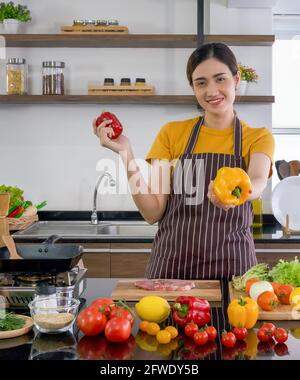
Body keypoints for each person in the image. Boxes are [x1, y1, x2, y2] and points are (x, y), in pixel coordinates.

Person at [93, 42, 274, 280]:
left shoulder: (257, 137)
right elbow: (152, 213)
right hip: (172, 266)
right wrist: (126, 153)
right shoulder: (172, 133)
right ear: (193, 88)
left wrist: (236, 193)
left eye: (220, 79)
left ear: (236, 79)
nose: (211, 91)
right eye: (201, 83)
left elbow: (258, 181)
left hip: (233, 267)